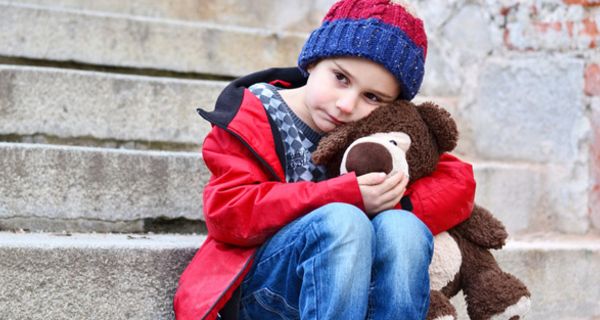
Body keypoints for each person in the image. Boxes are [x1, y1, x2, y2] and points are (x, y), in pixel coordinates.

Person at [174, 0, 475, 319]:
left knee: (403, 228)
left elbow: (459, 181)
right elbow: (228, 213)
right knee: (344, 221)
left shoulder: (375, 129)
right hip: (266, 287)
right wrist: (348, 196)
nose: (346, 105)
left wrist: (390, 203)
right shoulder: (254, 115)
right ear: (313, 61)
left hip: (353, 289)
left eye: (372, 97)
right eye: (341, 78)